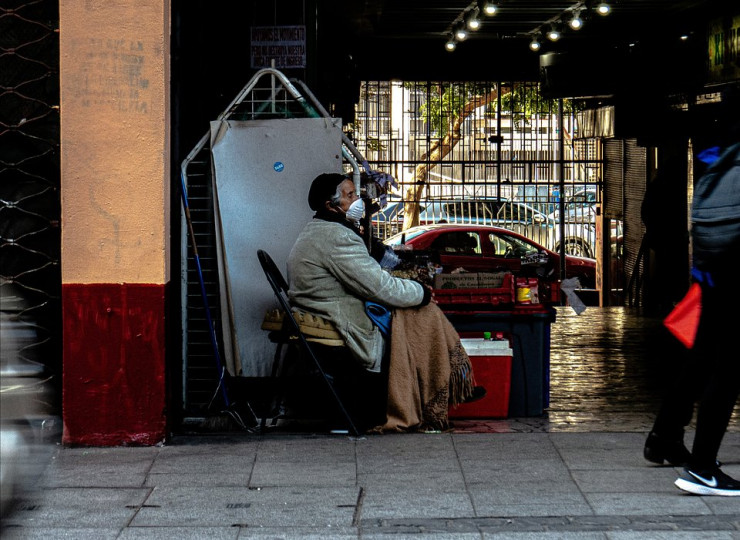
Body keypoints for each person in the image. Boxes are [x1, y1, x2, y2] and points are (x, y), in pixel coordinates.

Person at [286, 172, 483, 433]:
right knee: (425, 313)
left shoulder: (321, 231)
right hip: (339, 313)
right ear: (330, 205)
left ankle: (445, 383)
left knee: (420, 312)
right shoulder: (336, 237)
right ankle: (440, 387)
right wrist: (421, 293)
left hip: (327, 306)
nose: (357, 201)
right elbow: (379, 287)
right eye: (350, 196)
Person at [644, 109, 740, 496]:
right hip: (731, 268)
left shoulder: (717, 152)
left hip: (712, 268)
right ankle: (701, 466)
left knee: (703, 358)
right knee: (728, 365)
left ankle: (665, 437)